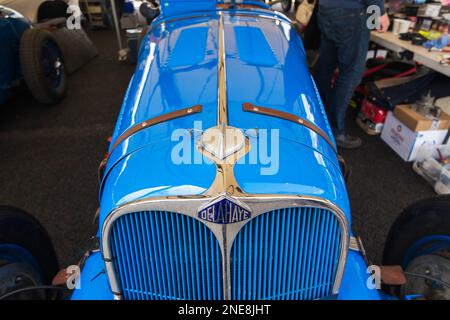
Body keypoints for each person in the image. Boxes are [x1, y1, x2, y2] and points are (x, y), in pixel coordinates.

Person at [314, 0, 390, 149]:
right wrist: (380, 12)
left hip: (326, 8)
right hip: (352, 13)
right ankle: (335, 131)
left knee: (325, 66)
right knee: (351, 73)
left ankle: (316, 116)